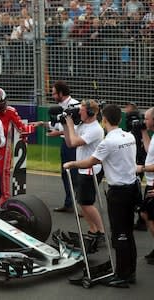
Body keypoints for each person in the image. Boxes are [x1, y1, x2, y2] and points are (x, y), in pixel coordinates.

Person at [64, 104, 138, 288]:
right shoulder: (129, 136)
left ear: (104, 120)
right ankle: (130, 270)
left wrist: (72, 163)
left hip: (119, 192)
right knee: (128, 233)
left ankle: (122, 274)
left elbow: (91, 161)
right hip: (132, 188)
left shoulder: (108, 142)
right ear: (119, 119)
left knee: (120, 235)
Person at [0, 87, 43, 205]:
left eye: (2, 104)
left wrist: (34, 126)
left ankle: (4, 202)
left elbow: (22, 130)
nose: (0, 107)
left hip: (3, 151)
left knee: (3, 174)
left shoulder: (10, 112)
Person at [63, 100, 105, 240]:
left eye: (81, 110)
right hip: (83, 168)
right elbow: (70, 143)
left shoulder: (95, 129)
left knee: (86, 203)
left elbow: (75, 142)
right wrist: (65, 124)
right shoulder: (82, 125)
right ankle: (93, 230)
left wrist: (69, 122)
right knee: (82, 202)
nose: (79, 112)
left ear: (90, 113)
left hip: (91, 169)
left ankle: (101, 231)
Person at [49, 81, 80, 212]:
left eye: (54, 93)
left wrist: (58, 133)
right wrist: (41, 124)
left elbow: (76, 129)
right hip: (65, 144)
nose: (52, 96)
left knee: (74, 174)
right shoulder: (59, 108)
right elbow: (56, 125)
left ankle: (80, 205)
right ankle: (69, 203)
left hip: (74, 145)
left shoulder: (75, 105)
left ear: (61, 93)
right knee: (65, 174)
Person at [125, 101, 148, 231]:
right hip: (139, 162)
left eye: (128, 108)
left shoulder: (135, 131)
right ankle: (140, 218)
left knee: (135, 191)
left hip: (138, 163)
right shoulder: (136, 130)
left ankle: (140, 219)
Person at [136, 107, 154, 264]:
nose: (144, 121)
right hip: (150, 182)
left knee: (148, 215)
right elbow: (150, 151)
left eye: (147, 119)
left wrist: (141, 168)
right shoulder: (153, 135)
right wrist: (143, 132)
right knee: (145, 214)